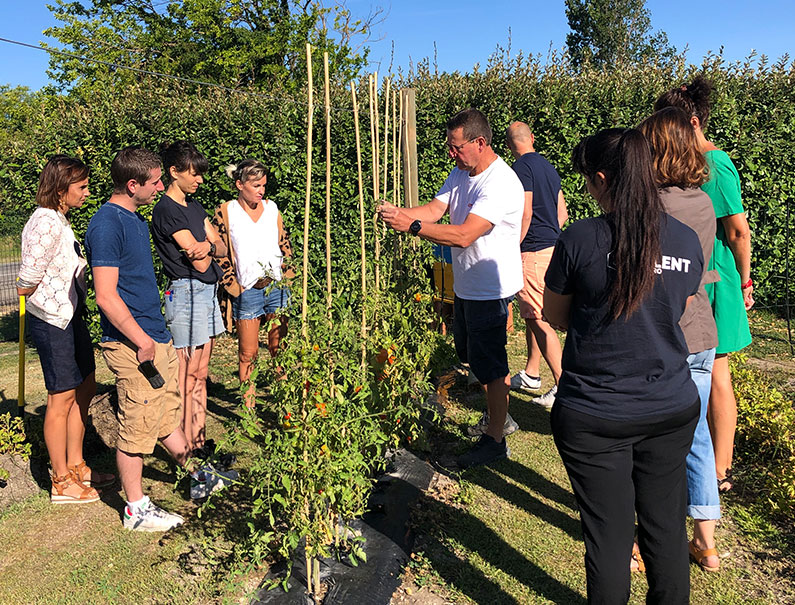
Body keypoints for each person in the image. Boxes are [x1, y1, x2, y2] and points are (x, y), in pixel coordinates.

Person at [545, 128, 703, 603]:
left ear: (599, 179)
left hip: (595, 414)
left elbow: (556, 317)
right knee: (666, 531)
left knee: (609, 540)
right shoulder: (685, 239)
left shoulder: (580, 239)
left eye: (586, 181)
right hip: (670, 406)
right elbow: (678, 305)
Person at [86, 147, 230, 532]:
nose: (160, 187)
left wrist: (156, 336)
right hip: (133, 342)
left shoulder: (132, 219)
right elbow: (105, 294)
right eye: (154, 182)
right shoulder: (106, 224)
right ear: (132, 184)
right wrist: (139, 339)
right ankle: (136, 508)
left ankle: (199, 474)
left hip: (155, 333)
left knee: (166, 413)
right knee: (137, 424)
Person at [378, 108, 524, 469]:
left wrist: (410, 226)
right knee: (474, 356)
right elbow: (433, 209)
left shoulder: (500, 182)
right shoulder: (461, 173)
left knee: (491, 364)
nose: (450, 153)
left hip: (490, 288)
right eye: (449, 146)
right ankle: (498, 419)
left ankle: (495, 440)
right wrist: (401, 212)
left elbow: (463, 234)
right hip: (467, 285)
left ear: (480, 142)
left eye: (456, 147)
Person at [655, 76, 754, 492]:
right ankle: (712, 469)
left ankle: (718, 468)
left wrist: (744, 280)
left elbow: (736, 231)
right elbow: (736, 232)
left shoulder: (706, 164)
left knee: (712, 372)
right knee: (711, 371)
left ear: (691, 122)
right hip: (703, 273)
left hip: (707, 275)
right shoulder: (695, 165)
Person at [639, 107, 722, 572]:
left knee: (647, 437)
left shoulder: (650, 204)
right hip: (699, 327)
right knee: (696, 436)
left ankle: (639, 540)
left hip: (659, 331)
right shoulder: (703, 203)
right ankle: (706, 542)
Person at [16, 155, 114, 504]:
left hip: (70, 316)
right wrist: (47, 294)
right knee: (61, 397)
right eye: (82, 186)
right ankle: (60, 481)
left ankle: (77, 466)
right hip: (52, 319)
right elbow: (26, 278)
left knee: (84, 387)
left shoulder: (61, 220)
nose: (87, 192)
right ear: (60, 189)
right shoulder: (44, 222)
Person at [150, 141, 226, 458]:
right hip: (186, 293)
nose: (200, 180)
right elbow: (199, 262)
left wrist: (208, 246)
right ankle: (185, 451)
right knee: (184, 376)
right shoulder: (166, 210)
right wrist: (210, 248)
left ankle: (199, 443)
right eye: (194, 174)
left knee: (200, 374)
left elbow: (221, 247)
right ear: (174, 172)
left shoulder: (194, 208)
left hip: (206, 292)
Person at [212, 159, 293, 407]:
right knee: (248, 353)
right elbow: (218, 252)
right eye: (256, 185)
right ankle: (249, 407)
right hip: (248, 291)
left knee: (279, 348)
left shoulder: (271, 208)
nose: (261, 190)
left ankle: (284, 400)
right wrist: (233, 286)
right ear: (239, 184)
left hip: (276, 288)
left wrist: (288, 275)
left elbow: (284, 243)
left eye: (264, 185)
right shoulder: (226, 211)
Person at [505, 121, 568, 409]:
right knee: (533, 312)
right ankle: (532, 373)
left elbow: (526, 211)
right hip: (553, 248)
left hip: (531, 250)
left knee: (539, 319)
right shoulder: (548, 167)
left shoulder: (520, 170)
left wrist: (512, 246)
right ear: (532, 138)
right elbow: (562, 213)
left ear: (509, 145)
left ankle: (562, 385)